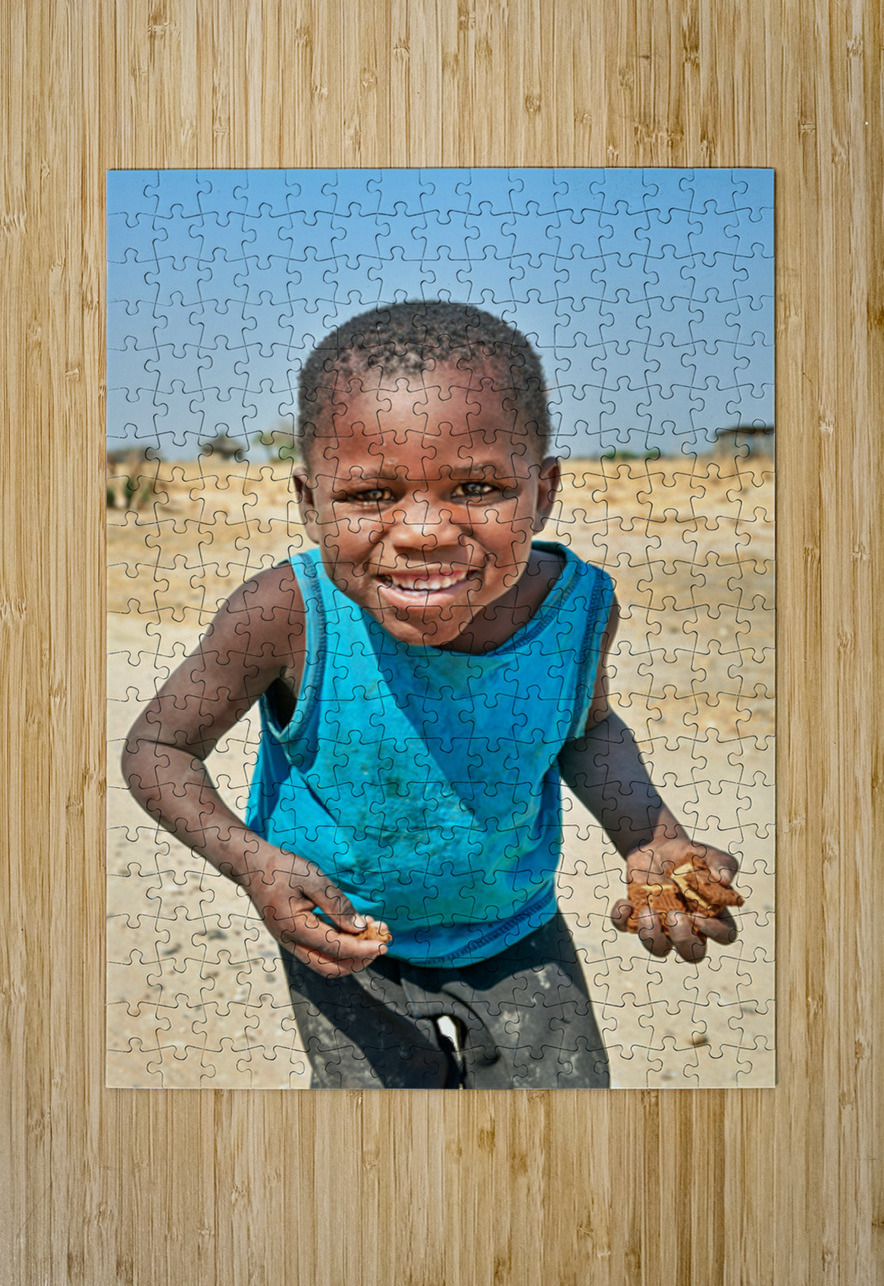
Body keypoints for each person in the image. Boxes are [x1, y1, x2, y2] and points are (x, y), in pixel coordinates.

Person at [122, 300, 741, 1089]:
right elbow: (158, 749)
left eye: (476, 486)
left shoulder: (579, 609)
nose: (422, 531)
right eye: (370, 496)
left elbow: (585, 730)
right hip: (339, 940)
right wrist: (255, 865)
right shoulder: (285, 615)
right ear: (310, 503)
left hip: (514, 931)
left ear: (542, 493)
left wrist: (650, 838)